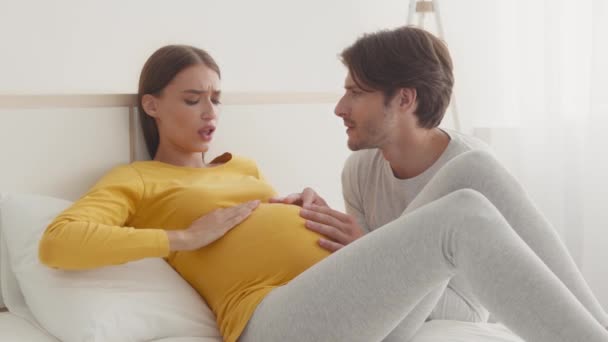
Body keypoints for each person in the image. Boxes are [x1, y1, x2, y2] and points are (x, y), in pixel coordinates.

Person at [38, 42, 608, 342]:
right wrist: (185, 235)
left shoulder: (246, 168)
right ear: (152, 105)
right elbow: (59, 242)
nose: (211, 112)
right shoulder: (136, 179)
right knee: (461, 214)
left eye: (216, 98)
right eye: (192, 99)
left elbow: (257, 231)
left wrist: (291, 207)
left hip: (349, 304)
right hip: (278, 322)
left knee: (475, 173)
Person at [269, 26, 608, 340]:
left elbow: (471, 311)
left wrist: (372, 248)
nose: (339, 108)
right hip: (385, 319)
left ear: (404, 99)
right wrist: (349, 246)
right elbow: (371, 285)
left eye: (355, 93)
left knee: (474, 168)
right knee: (475, 170)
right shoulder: (358, 170)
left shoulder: (465, 163)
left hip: (428, 310)